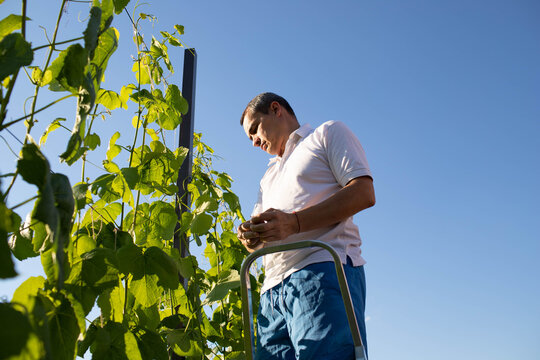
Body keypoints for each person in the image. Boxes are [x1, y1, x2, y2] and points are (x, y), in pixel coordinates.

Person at [237, 92, 375, 360]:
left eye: (254, 129)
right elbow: (260, 231)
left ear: (276, 109)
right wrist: (250, 236)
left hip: (320, 271)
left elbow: (363, 193)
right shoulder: (268, 176)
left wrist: (295, 223)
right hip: (271, 294)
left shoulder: (326, 134)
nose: (254, 142)